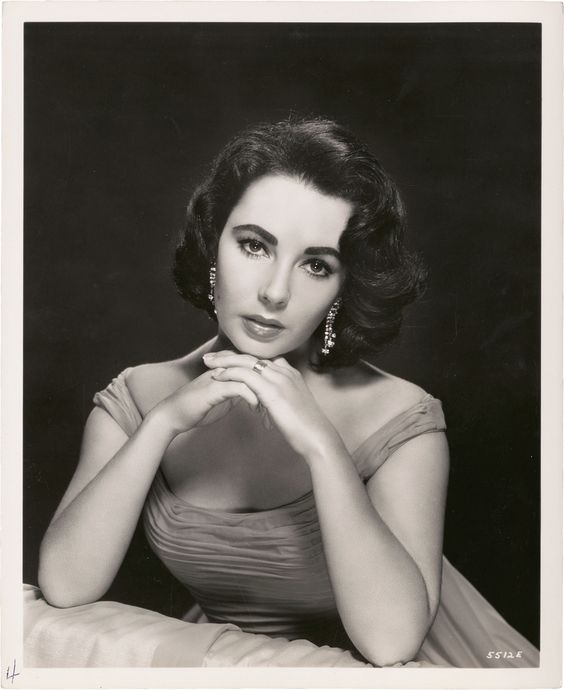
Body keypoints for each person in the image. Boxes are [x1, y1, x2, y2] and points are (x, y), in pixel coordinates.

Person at [34, 118, 539, 668]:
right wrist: (162, 424)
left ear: (343, 288)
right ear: (212, 245)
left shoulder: (401, 417)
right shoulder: (138, 397)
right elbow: (64, 586)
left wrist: (322, 446)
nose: (276, 292)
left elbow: (392, 643)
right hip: (240, 667)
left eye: (316, 265)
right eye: (254, 246)